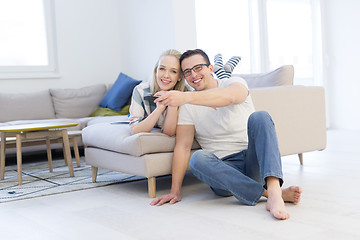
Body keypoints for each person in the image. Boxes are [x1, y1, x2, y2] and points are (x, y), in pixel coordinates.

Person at [150, 49, 302, 220]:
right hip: (224, 171)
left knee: (261, 116)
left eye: (198, 68)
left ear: (211, 68)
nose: (193, 74)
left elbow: (230, 97)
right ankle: (268, 194)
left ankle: (274, 192)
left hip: (254, 161)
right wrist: (175, 191)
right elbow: (183, 147)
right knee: (197, 159)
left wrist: (186, 97)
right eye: (187, 72)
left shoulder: (233, 83)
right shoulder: (187, 106)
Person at [128, 49, 186, 137]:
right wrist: (159, 109)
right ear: (156, 71)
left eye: (173, 71)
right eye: (162, 69)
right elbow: (135, 131)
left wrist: (171, 103)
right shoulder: (141, 90)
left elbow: (169, 133)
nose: (166, 75)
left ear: (180, 76)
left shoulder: (185, 95)